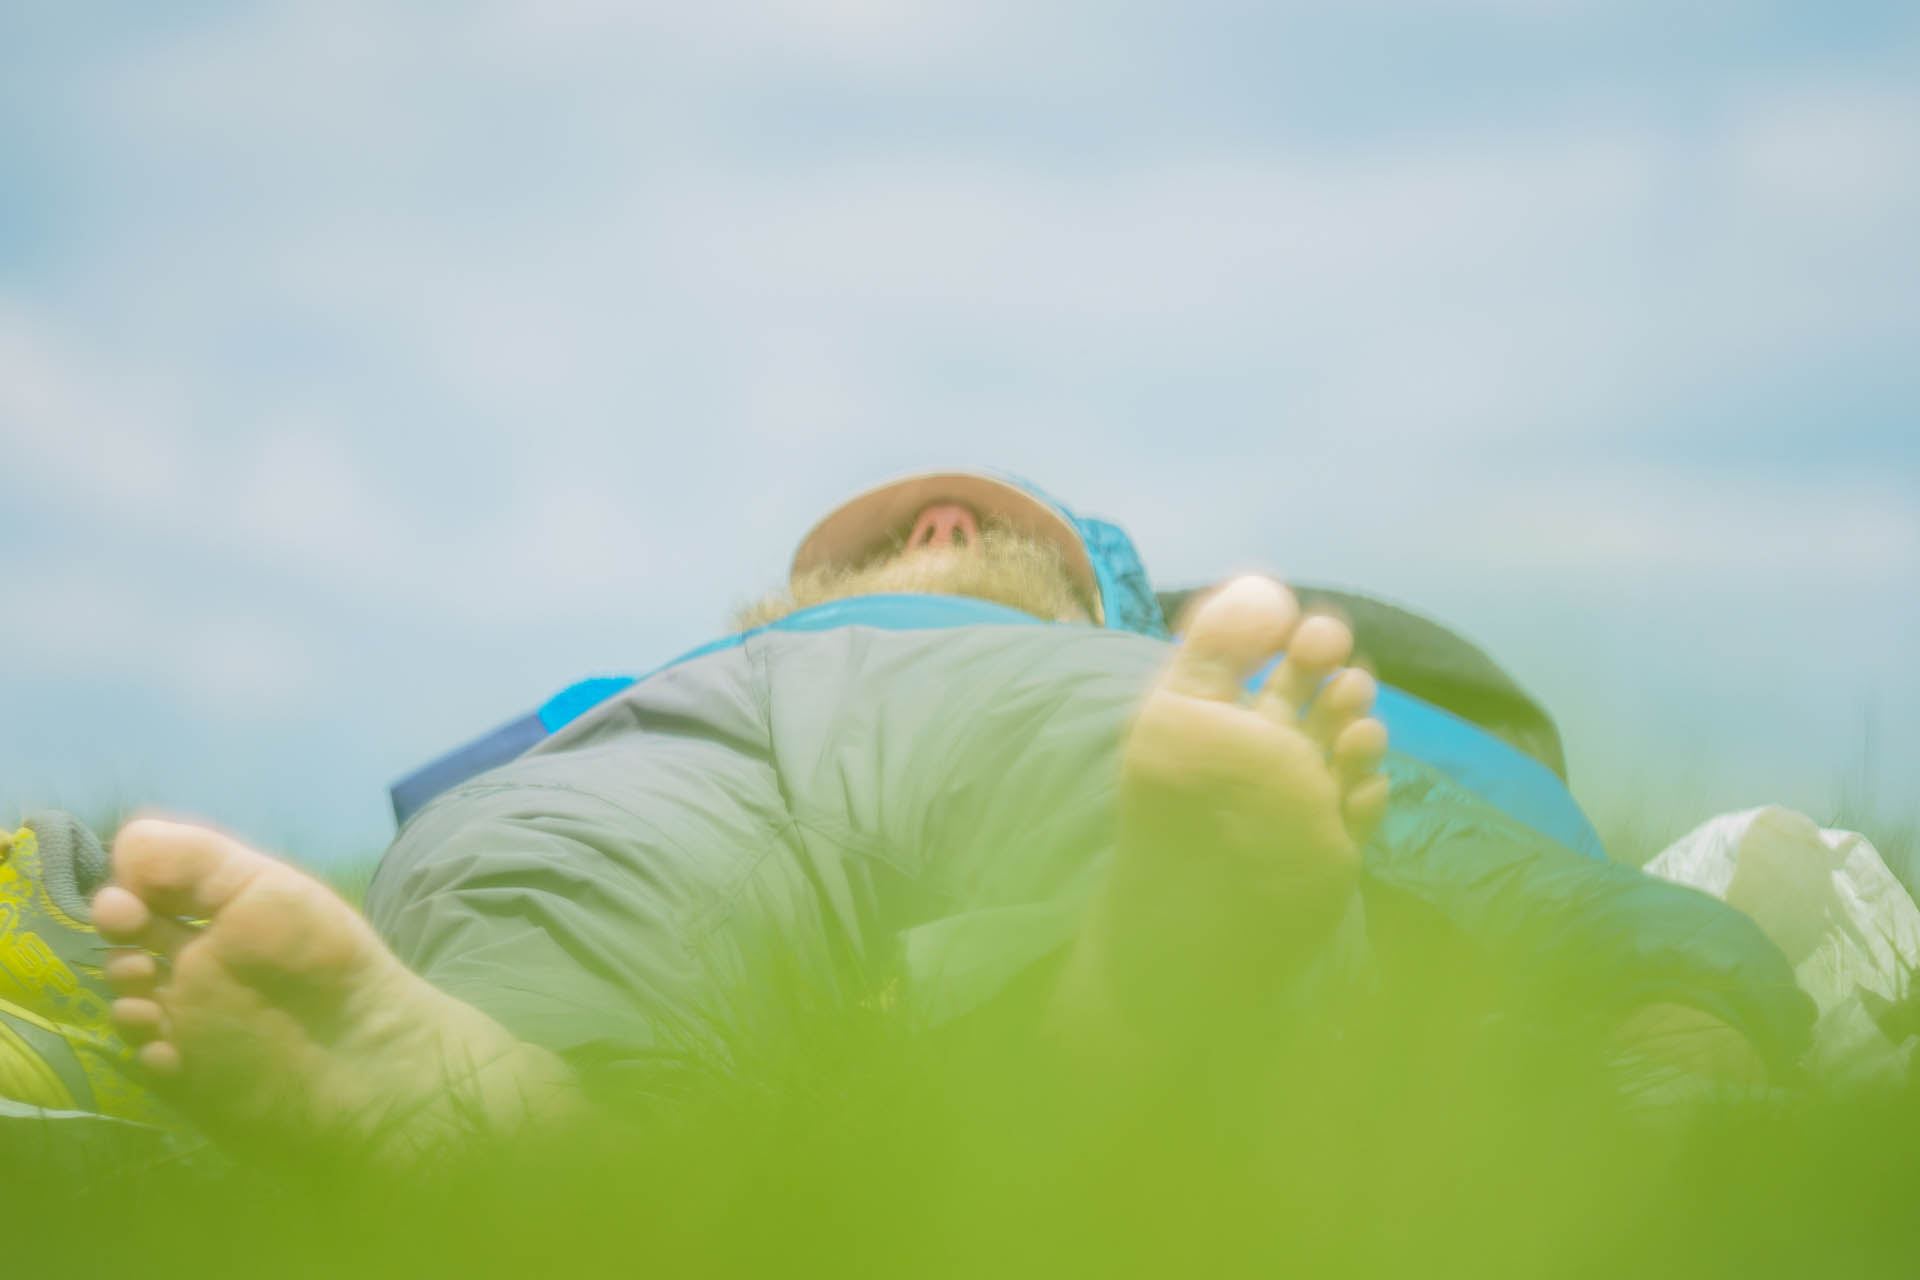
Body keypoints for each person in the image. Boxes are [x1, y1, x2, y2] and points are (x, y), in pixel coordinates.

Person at [3, 470, 1812, 1162]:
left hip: (1038, 727)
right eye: (882, 531)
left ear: (1103, 585)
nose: (932, 524)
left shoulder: (1167, 683)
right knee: (533, 874)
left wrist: (1670, 1022)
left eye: (984, 520)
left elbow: (1500, 868)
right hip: (653, 757)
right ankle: (509, 1119)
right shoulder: (604, 703)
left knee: (1162, 813)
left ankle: (1149, 985)